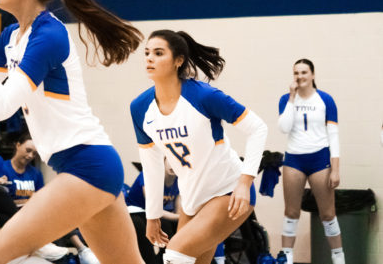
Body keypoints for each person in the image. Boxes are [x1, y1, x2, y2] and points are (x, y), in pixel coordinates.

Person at [0, 0, 144, 262]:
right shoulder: (11, 37)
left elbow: (3, 108)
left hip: (89, 166)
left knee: (1, 252)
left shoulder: (49, 34)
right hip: (88, 167)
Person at [130, 30, 267, 264]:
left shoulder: (204, 96)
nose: (149, 58)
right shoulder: (140, 107)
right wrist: (152, 216)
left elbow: (258, 128)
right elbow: (151, 166)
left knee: (174, 254)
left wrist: (245, 182)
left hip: (228, 191)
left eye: (158, 53)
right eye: (147, 53)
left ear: (178, 60)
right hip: (193, 201)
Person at [278, 58, 344, 264]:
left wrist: (335, 169)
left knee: (327, 213)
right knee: (291, 212)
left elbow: (333, 135)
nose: (300, 77)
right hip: (294, 160)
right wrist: (291, 98)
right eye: (296, 73)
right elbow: (284, 128)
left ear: (313, 75)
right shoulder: (286, 99)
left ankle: (338, 257)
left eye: (304, 72)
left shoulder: (325, 100)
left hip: (319, 159)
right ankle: (286, 258)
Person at [4, 133, 99, 264]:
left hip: (34, 212)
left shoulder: (35, 172)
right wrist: (27, 202)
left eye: (34, 154)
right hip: (15, 215)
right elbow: (3, 201)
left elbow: (40, 196)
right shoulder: (3, 168)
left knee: (59, 209)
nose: (30, 156)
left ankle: (82, 250)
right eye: (28, 150)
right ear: (18, 145)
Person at [126, 158, 180, 264]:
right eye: (171, 159)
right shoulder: (149, 174)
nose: (174, 164)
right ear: (163, 159)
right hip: (135, 212)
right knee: (165, 225)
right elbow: (153, 208)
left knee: (180, 225)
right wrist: (180, 217)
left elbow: (179, 212)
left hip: (158, 215)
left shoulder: (180, 180)